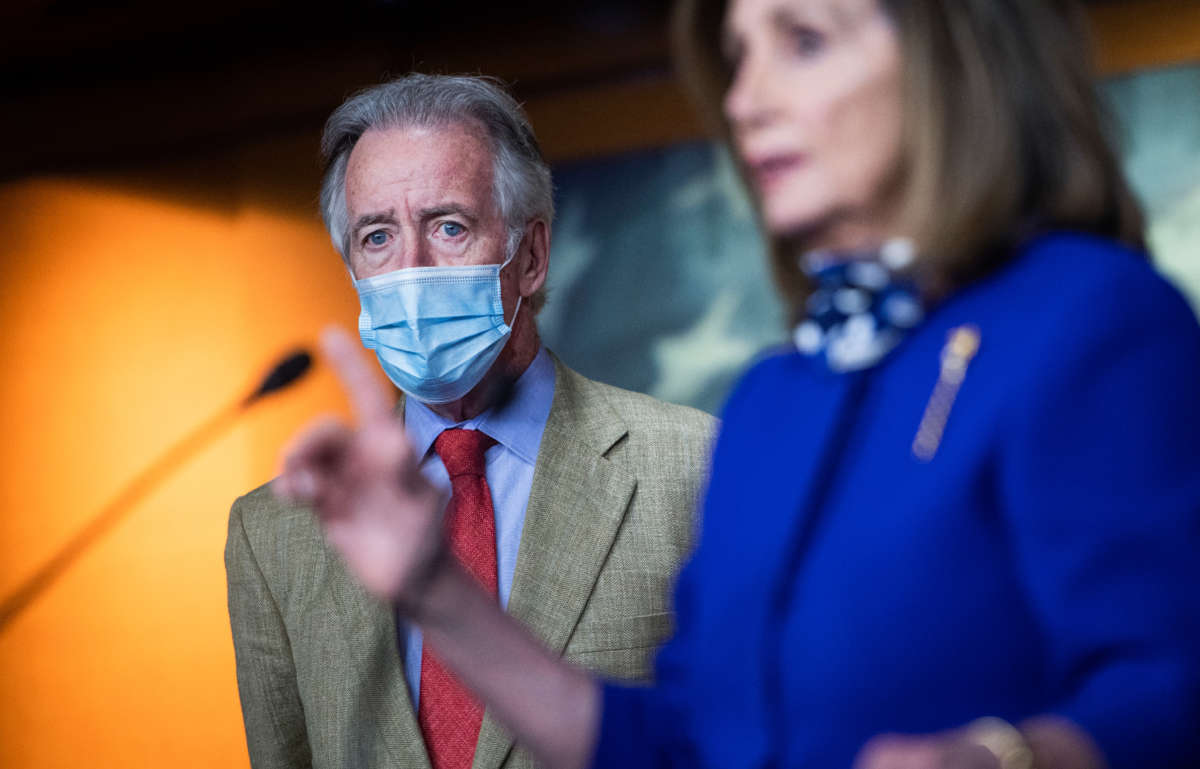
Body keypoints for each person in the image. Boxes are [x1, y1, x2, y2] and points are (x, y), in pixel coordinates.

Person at [273, 2, 1200, 769]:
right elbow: (684, 744)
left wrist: (1011, 755)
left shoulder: (1096, 321)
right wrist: (436, 591)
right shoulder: (773, 402)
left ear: (949, 60)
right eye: (737, 58)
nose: (746, 99)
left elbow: (1172, 691)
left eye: (802, 42)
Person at [225, 74, 715, 769]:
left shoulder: (696, 467)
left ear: (532, 257)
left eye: (449, 226)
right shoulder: (273, 535)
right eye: (377, 237)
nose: (412, 270)